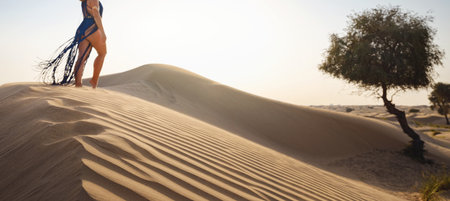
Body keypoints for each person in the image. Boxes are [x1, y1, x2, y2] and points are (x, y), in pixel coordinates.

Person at [40, 0, 106, 88]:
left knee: (81, 57)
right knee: (102, 53)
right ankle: (94, 80)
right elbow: (96, 15)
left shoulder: (84, 1)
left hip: (82, 29)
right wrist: (102, 32)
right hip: (92, 28)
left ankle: (78, 84)